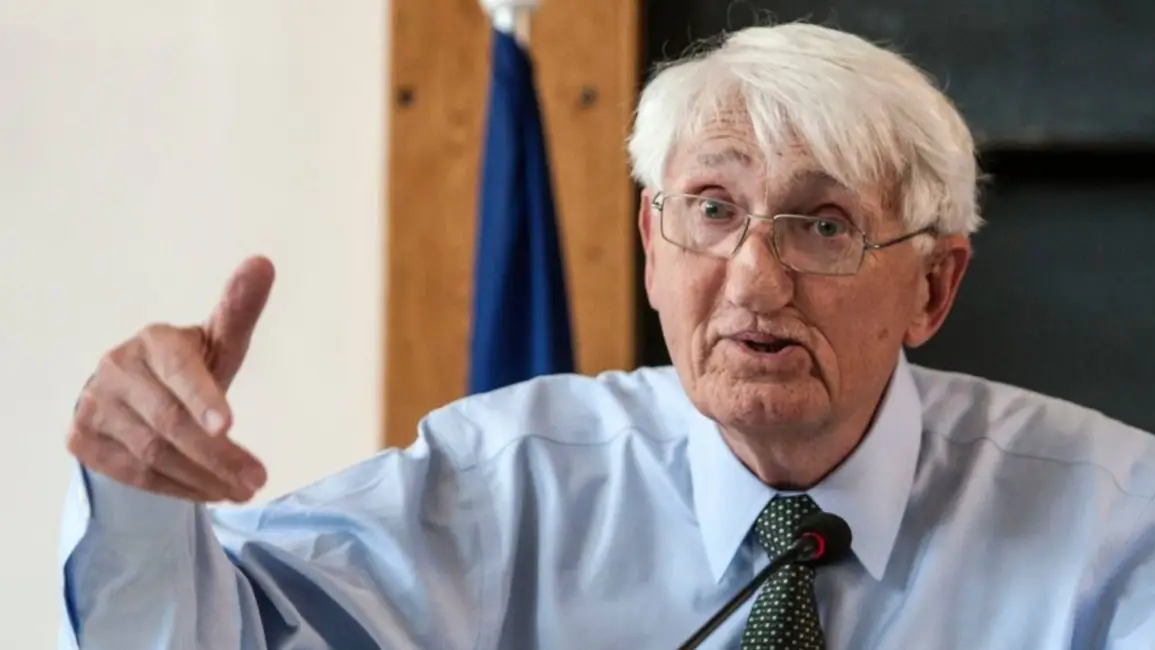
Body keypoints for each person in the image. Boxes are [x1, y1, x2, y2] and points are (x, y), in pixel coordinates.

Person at [58, 22, 1154, 650]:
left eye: (823, 225)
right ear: (650, 243)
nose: (753, 278)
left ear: (933, 286)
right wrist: (137, 492)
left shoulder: (1115, 523)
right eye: (712, 209)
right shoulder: (506, 483)